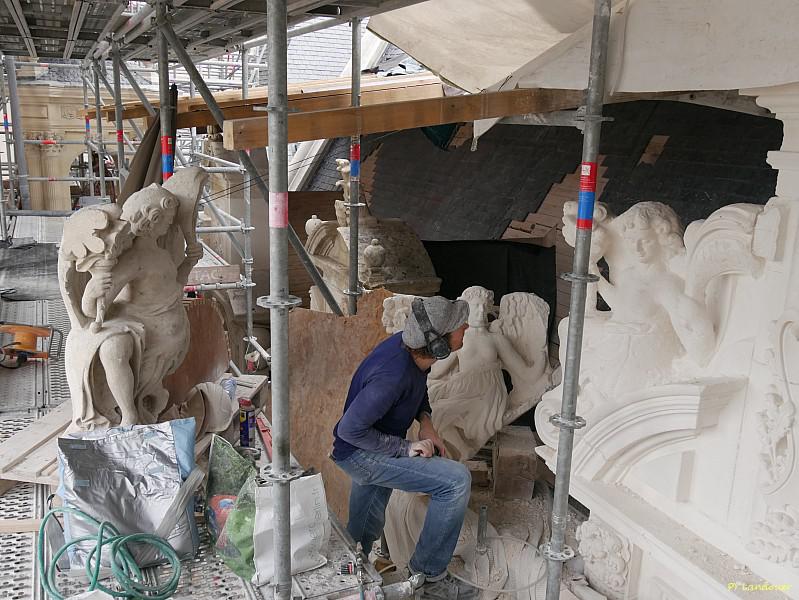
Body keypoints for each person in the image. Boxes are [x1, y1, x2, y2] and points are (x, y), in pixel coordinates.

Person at [332, 296, 476, 598]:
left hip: (370, 447)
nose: (466, 326)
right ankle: (429, 579)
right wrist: (405, 448)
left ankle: (347, 578)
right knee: (455, 481)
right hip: (361, 452)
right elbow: (348, 429)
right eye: (459, 325)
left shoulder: (411, 350)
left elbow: (417, 387)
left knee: (363, 527)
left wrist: (426, 422)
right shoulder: (391, 376)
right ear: (438, 344)